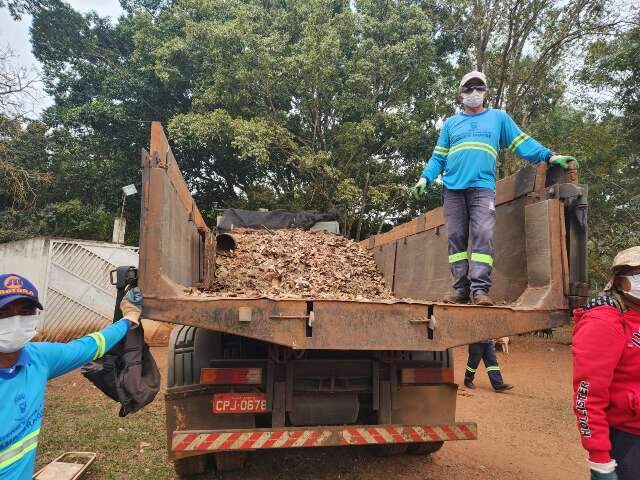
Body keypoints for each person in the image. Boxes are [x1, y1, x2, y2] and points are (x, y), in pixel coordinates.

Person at [414, 70, 575, 305]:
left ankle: (480, 290)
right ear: (461, 95)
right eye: (469, 88)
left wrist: (549, 156)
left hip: (482, 189)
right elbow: (438, 157)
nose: (474, 92)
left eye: (479, 88)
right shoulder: (451, 124)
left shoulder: (498, 118)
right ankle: (460, 289)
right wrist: (425, 178)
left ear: (485, 92)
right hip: (453, 189)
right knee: (456, 238)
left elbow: (522, 143)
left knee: (483, 235)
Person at [0, 273, 142, 479]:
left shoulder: (38, 359)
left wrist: (128, 319)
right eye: (3, 313)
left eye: (24, 311)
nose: (15, 321)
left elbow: (90, 345)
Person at [572, 246, 640, 480]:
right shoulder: (604, 322)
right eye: (637, 274)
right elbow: (588, 396)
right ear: (619, 281)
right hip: (627, 441)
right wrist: (600, 461)